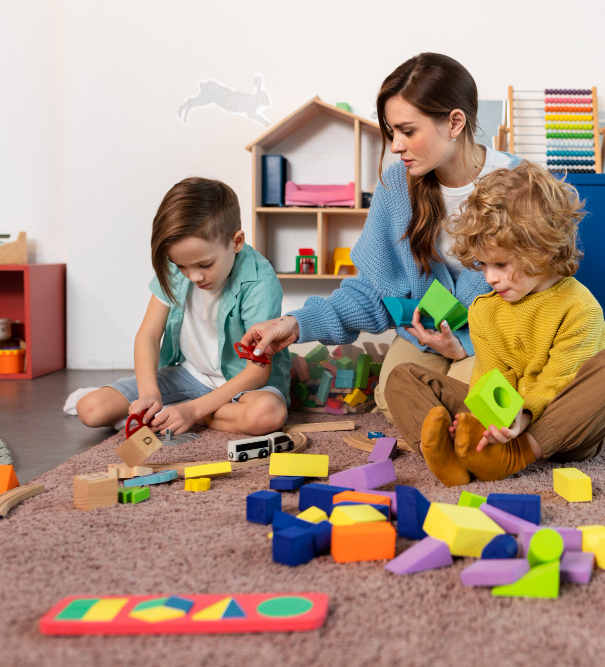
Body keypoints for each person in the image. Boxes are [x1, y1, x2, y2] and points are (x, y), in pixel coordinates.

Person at [239, 53, 520, 423]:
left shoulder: (520, 186)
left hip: (497, 334)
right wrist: (297, 323)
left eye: (407, 131)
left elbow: (540, 296)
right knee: (392, 398)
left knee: (476, 405)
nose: (395, 146)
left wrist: (463, 347)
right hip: (426, 330)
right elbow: (374, 291)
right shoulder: (397, 187)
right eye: (392, 133)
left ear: (454, 122)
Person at [383, 162, 605, 486]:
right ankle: (446, 455)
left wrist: (521, 419)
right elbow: (491, 379)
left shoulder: (579, 306)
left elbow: (558, 381)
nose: (490, 278)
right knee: (403, 376)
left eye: (501, 264)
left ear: (544, 250)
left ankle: (519, 455)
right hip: (504, 422)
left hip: (560, 427)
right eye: (483, 264)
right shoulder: (485, 310)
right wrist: (487, 419)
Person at [76, 177, 290, 435]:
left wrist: (193, 411)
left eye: (205, 265)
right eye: (181, 266)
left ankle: (187, 411)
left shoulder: (259, 281)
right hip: (189, 375)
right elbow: (148, 334)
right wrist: (149, 394)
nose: (193, 277)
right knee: (90, 409)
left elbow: (258, 372)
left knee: (267, 415)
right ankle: (182, 410)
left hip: (243, 385)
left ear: (236, 242)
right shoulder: (178, 262)